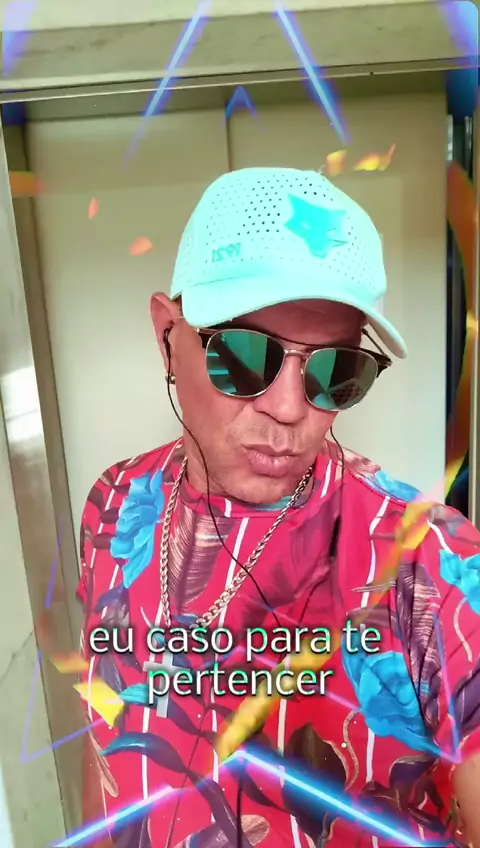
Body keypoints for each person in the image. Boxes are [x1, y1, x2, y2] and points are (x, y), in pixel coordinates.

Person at [77, 167, 480, 848]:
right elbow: (105, 743)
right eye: (242, 355)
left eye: (335, 370)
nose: (290, 409)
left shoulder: (430, 559)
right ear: (167, 335)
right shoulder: (114, 504)